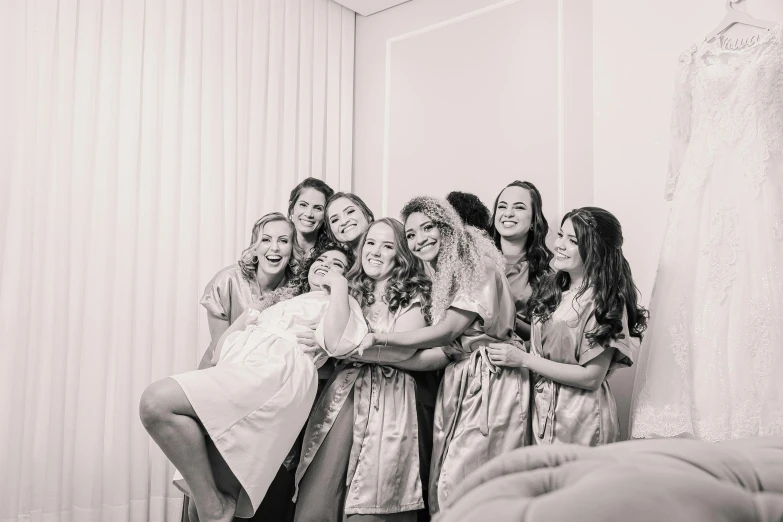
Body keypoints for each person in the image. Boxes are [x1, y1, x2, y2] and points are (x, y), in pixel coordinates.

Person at [139, 241, 368, 522]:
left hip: (274, 376)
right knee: (199, 505)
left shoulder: (342, 302)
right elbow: (218, 353)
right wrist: (247, 320)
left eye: (337, 265)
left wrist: (339, 286)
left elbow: (336, 342)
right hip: (240, 370)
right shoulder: (288, 302)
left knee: (157, 402)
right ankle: (216, 507)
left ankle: (216, 507)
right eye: (322, 260)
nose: (326, 266)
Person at [355, 197, 531, 515]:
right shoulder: (444, 278)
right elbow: (443, 355)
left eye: (427, 227)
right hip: (460, 383)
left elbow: (448, 332)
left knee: (474, 486)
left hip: (491, 383)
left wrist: (379, 337)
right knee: (448, 484)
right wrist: (370, 356)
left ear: (447, 226)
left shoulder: (476, 266)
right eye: (410, 234)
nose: (419, 238)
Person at [294, 218, 435, 522]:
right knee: (319, 496)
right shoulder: (349, 290)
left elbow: (403, 348)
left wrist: (337, 346)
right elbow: (320, 337)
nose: (375, 252)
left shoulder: (415, 292)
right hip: (341, 398)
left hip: (391, 400)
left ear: (401, 254)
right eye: (370, 243)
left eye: (387, 246)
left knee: (375, 500)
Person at [489, 207, 648, 446]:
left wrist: (523, 359)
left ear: (596, 250)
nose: (559, 245)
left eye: (572, 240)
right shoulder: (554, 289)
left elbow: (591, 377)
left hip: (580, 417)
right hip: (540, 407)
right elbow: (546, 342)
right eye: (561, 235)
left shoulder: (605, 301)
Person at [488, 181, 553, 340]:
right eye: (502, 206)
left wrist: (502, 314)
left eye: (519, 207)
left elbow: (546, 337)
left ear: (533, 220)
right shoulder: (475, 259)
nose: (508, 213)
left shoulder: (546, 275)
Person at [287, 177, 334, 271]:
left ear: (326, 215)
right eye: (303, 205)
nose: (309, 214)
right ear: (292, 208)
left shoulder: (332, 253)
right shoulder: (276, 246)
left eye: (318, 208)